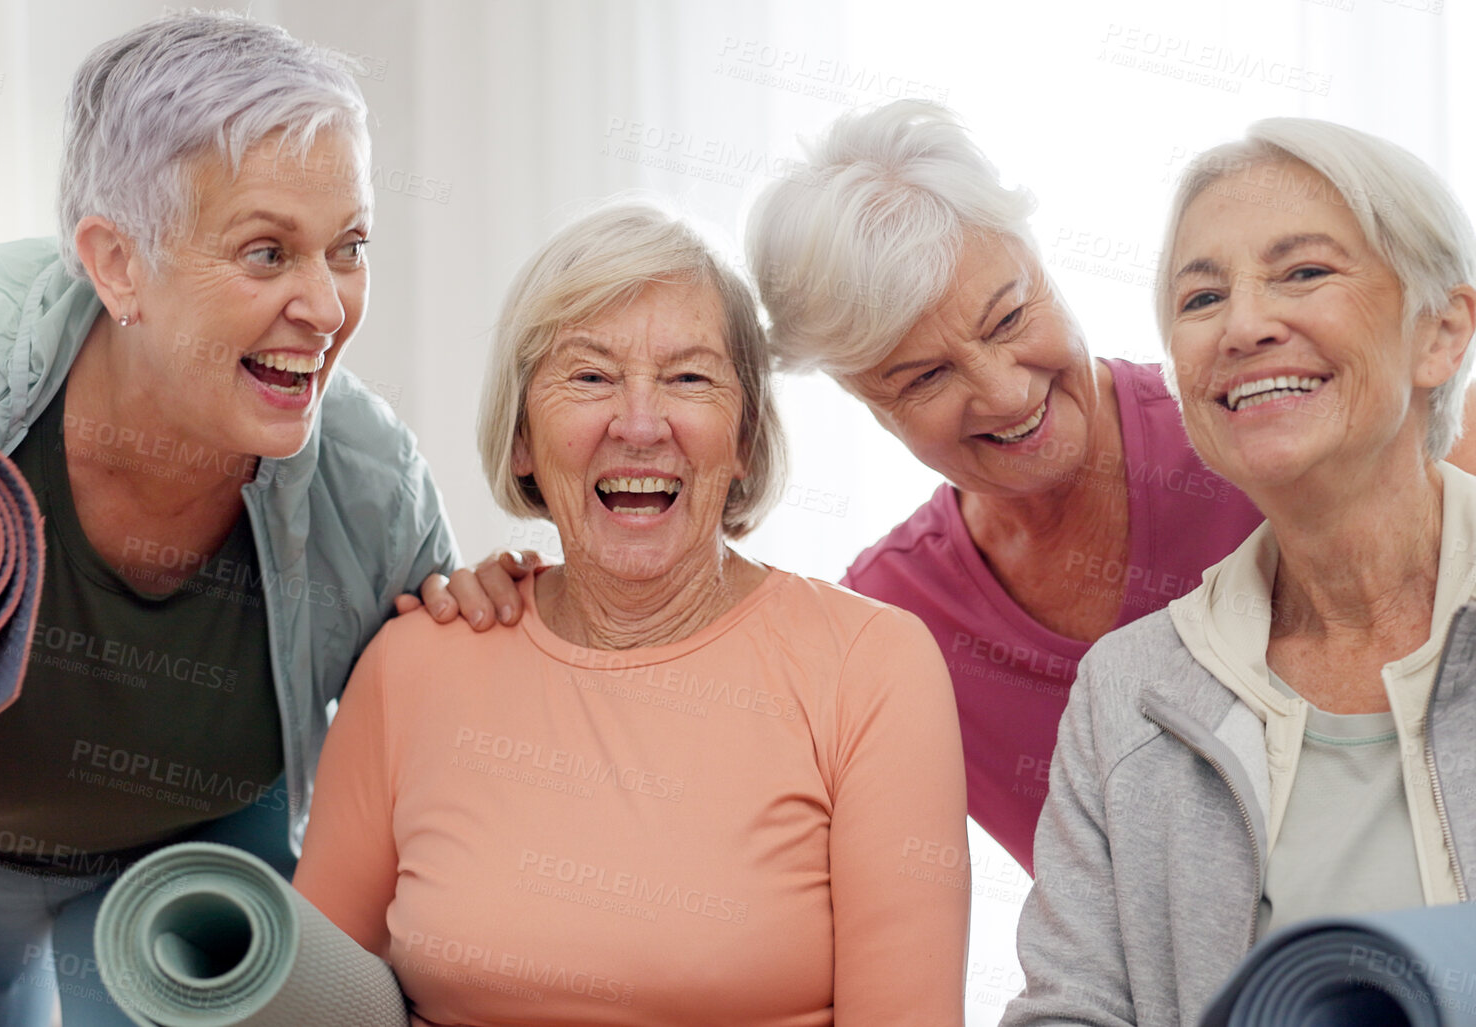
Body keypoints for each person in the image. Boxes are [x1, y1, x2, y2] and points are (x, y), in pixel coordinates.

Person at [728, 100, 1476, 872]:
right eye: (923, 378)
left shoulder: (1264, 423)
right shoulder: (894, 622)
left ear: (1039, 263)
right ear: (861, 398)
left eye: (1008, 315)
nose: (1005, 390)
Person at [0, 13, 461, 1025]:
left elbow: (440, 755)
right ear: (118, 263)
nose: (326, 305)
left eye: (347, 247)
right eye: (266, 252)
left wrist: (488, 625)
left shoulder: (372, 479)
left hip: (204, 855)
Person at [1000, 118, 1476, 1027]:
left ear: (1440, 333)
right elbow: (1070, 1012)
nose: (1245, 324)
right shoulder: (1124, 694)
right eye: (1201, 296)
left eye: (1303, 272)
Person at [294, 202, 970, 1026]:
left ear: (746, 434)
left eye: (689, 378)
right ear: (521, 438)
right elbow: (305, 997)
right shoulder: (413, 664)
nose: (641, 424)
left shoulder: (871, 667)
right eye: (588, 376)